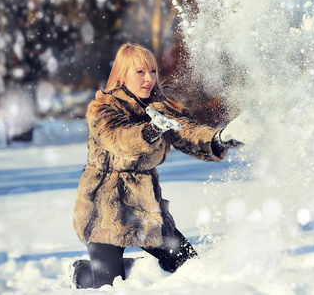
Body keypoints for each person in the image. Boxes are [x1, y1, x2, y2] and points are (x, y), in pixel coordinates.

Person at [71, 43, 252, 289]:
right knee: (110, 286)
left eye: (153, 71)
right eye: (140, 72)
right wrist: (152, 129)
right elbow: (120, 139)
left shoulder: (162, 106)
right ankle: (82, 271)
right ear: (123, 74)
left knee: (189, 265)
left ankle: (142, 269)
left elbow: (188, 132)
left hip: (145, 207)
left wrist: (221, 138)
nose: (149, 79)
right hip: (105, 207)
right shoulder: (104, 107)